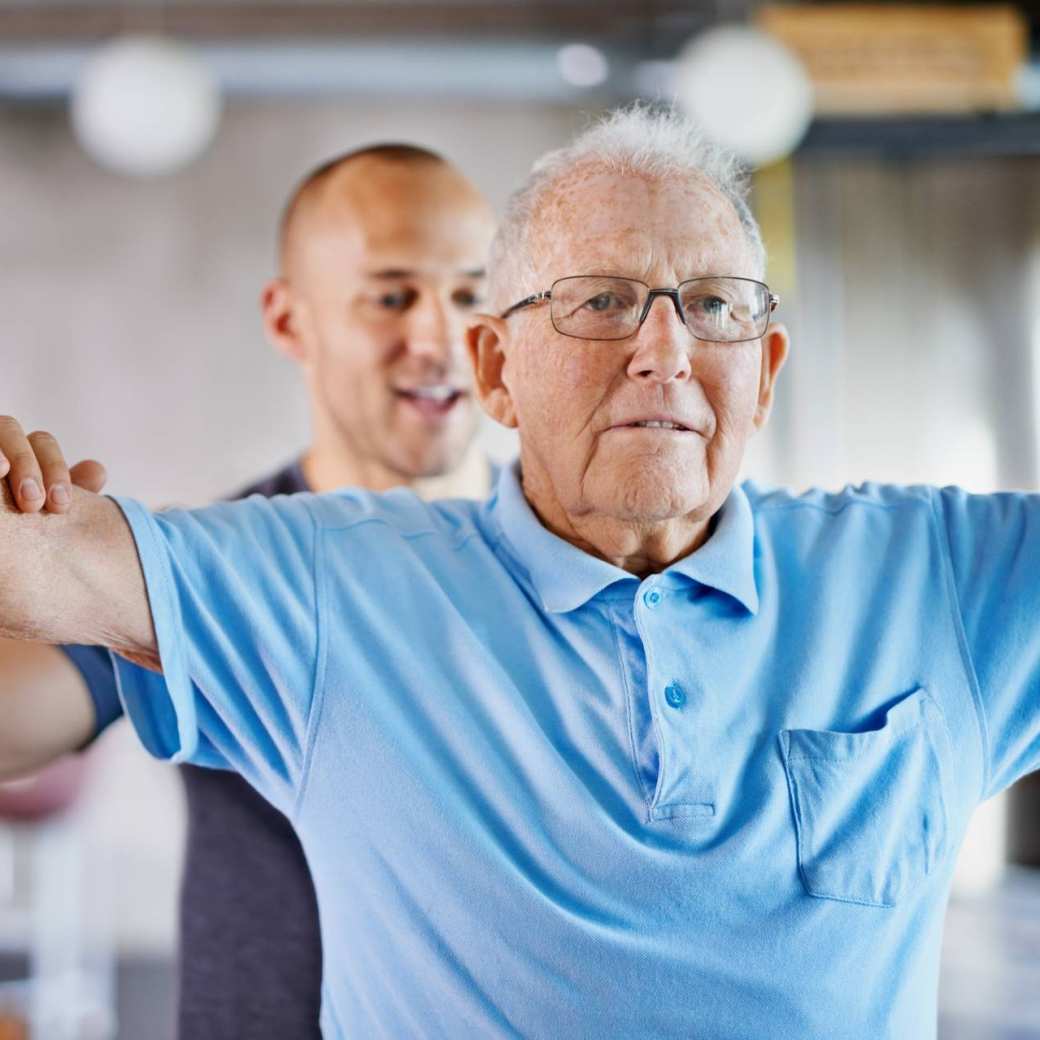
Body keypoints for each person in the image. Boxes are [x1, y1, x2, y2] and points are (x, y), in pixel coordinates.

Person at [2, 103, 1040, 1039]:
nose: (665, 349)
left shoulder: (941, 573)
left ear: (763, 370)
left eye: (715, 304)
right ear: (497, 367)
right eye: (602, 301)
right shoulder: (315, 576)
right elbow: (49, 571)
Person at [0, 142, 496, 1037]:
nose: (438, 338)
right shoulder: (210, 570)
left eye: (468, 294)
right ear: (289, 320)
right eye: (391, 295)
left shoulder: (576, 561)